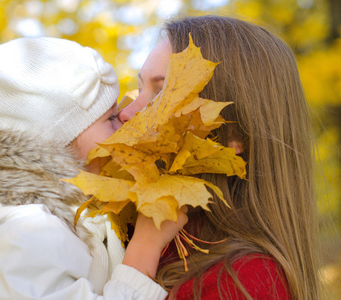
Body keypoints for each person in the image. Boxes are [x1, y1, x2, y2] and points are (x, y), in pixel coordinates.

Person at [0, 37, 186, 299]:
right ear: (54, 143)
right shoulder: (21, 234)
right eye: (109, 118)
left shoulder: (54, 215)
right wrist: (145, 248)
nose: (125, 117)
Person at [118, 15, 320, 300]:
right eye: (140, 89)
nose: (126, 113)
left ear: (233, 134)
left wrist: (139, 260)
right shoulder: (125, 225)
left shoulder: (243, 281)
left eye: (161, 93)